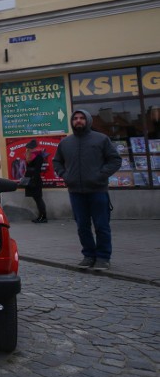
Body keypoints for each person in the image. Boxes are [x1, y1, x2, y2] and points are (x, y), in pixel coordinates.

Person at [52, 109, 122, 271]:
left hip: (98, 191)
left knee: (101, 226)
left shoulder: (101, 139)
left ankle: (103, 258)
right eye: (75, 118)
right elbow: (57, 162)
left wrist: (101, 175)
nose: (78, 121)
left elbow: (115, 160)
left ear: (88, 120)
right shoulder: (66, 143)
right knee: (82, 226)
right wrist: (66, 176)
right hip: (76, 192)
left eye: (82, 118)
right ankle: (89, 255)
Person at [22, 139, 47, 223]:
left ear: (32, 148)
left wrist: (34, 181)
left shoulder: (38, 156)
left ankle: (43, 217)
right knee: (37, 199)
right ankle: (41, 216)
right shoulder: (31, 156)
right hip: (31, 179)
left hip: (34, 180)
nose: (27, 150)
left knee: (38, 199)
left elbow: (37, 170)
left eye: (28, 148)